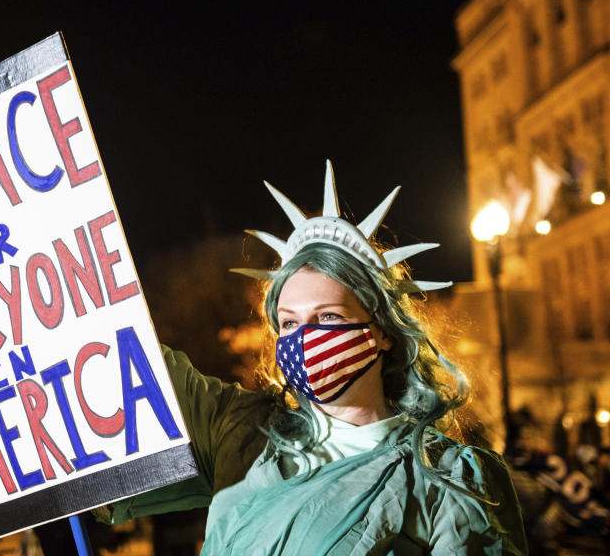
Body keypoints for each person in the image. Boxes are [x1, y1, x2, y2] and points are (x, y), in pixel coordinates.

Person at [96, 161, 527, 554]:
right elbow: (122, 365)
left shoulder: (450, 479)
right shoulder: (242, 433)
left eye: (326, 316)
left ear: (380, 332)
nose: (304, 339)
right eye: (288, 323)